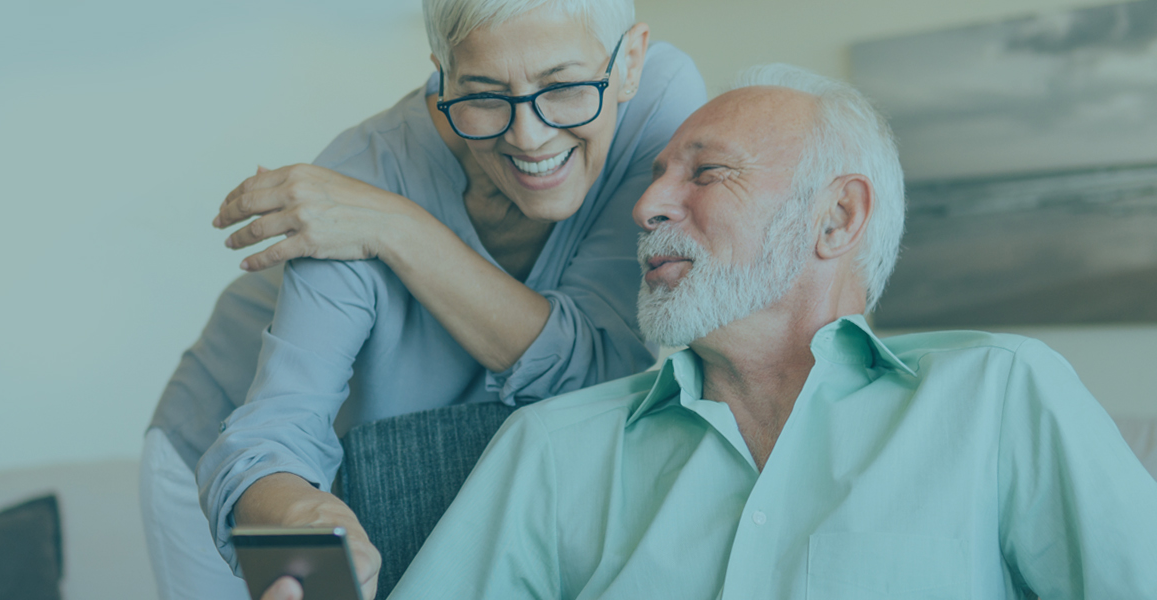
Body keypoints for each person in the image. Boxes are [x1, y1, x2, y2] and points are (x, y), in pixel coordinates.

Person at [369, 64, 1157, 600]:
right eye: (656, 178)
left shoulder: (998, 393)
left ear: (837, 217)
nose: (648, 210)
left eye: (705, 173)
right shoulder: (548, 448)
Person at [139, 0, 708, 598]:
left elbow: (599, 368)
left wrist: (397, 228)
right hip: (236, 462)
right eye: (484, 94)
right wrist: (301, 516)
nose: (530, 135)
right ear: (442, 78)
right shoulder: (358, 177)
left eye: (563, 86)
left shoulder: (658, 112)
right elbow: (268, 436)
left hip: (422, 449)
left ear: (631, 61)